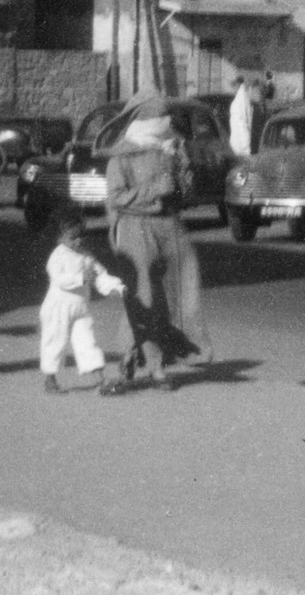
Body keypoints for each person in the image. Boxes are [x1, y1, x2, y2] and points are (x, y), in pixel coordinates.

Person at [105, 95, 208, 389]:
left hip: (168, 225)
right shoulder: (122, 157)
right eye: (161, 121)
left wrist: (183, 166)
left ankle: (132, 356)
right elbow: (116, 198)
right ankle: (153, 365)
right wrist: (154, 190)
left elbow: (186, 193)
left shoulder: (169, 150)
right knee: (145, 296)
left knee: (174, 294)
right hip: (135, 228)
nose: (166, 127)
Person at [39, 208, 126, 396]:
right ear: (60, 238)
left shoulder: (86, 256)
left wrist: (116, 287)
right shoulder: (57, 257)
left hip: (80, 308)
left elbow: (99, 274)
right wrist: (81, 278)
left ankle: (100, 380)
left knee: (87, 341)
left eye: (81, 236)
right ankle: (50, 379)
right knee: (55, 341)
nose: (78, 241)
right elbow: (60, 279)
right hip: (58, 308)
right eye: (72, 238)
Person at [228, 77, 255, 155]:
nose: (233, 89)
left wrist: (245, 144)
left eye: (234, 85)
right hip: (239, 140)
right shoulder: (242, 97)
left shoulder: (240, 99)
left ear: (238, 85)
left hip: (240, 143)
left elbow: (242, 122)